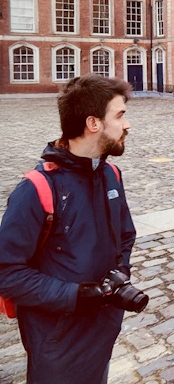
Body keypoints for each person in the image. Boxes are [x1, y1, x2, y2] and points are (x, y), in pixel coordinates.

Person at [0, 74, 140, 384]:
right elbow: (6, 273)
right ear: (93, 123)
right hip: (58, 340)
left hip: (102, 329)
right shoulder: (36, 189)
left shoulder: (110, 175)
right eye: (120, 115)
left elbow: (125, 235)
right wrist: (77, 295)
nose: (127, 125)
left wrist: (119, 276)